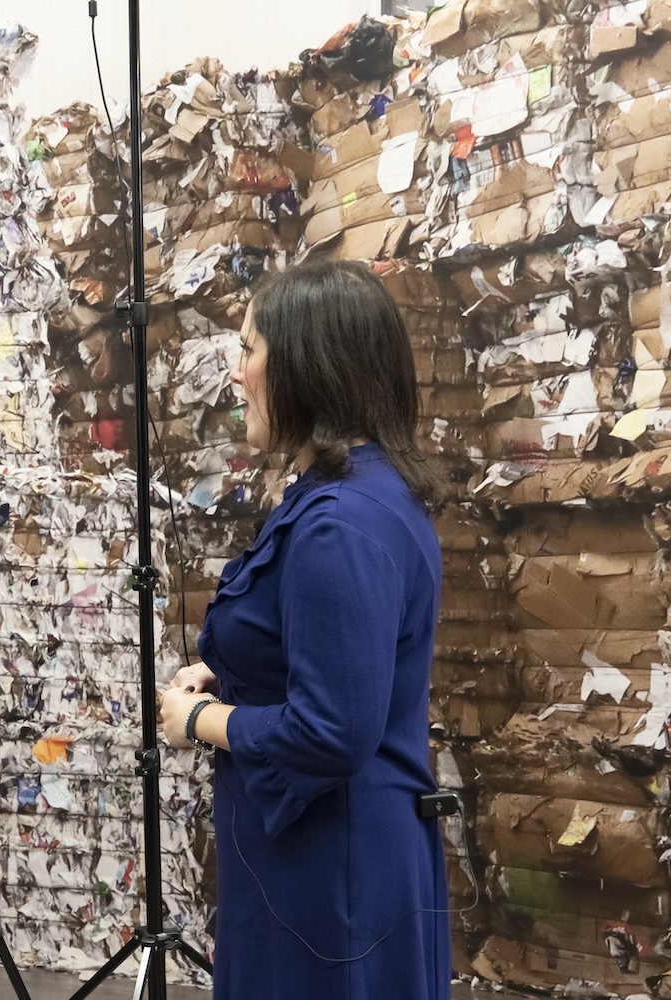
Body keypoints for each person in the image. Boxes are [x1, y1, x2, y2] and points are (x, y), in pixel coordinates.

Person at [159, 259, 450, 999]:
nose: (236, 373)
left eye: (249, 349)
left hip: (331, 881)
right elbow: (340, 649)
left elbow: (332, 730)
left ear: (306, 365)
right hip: (339, 865)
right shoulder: (364, 492)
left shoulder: (338, 526)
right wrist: (235, 669)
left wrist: (201, 719)